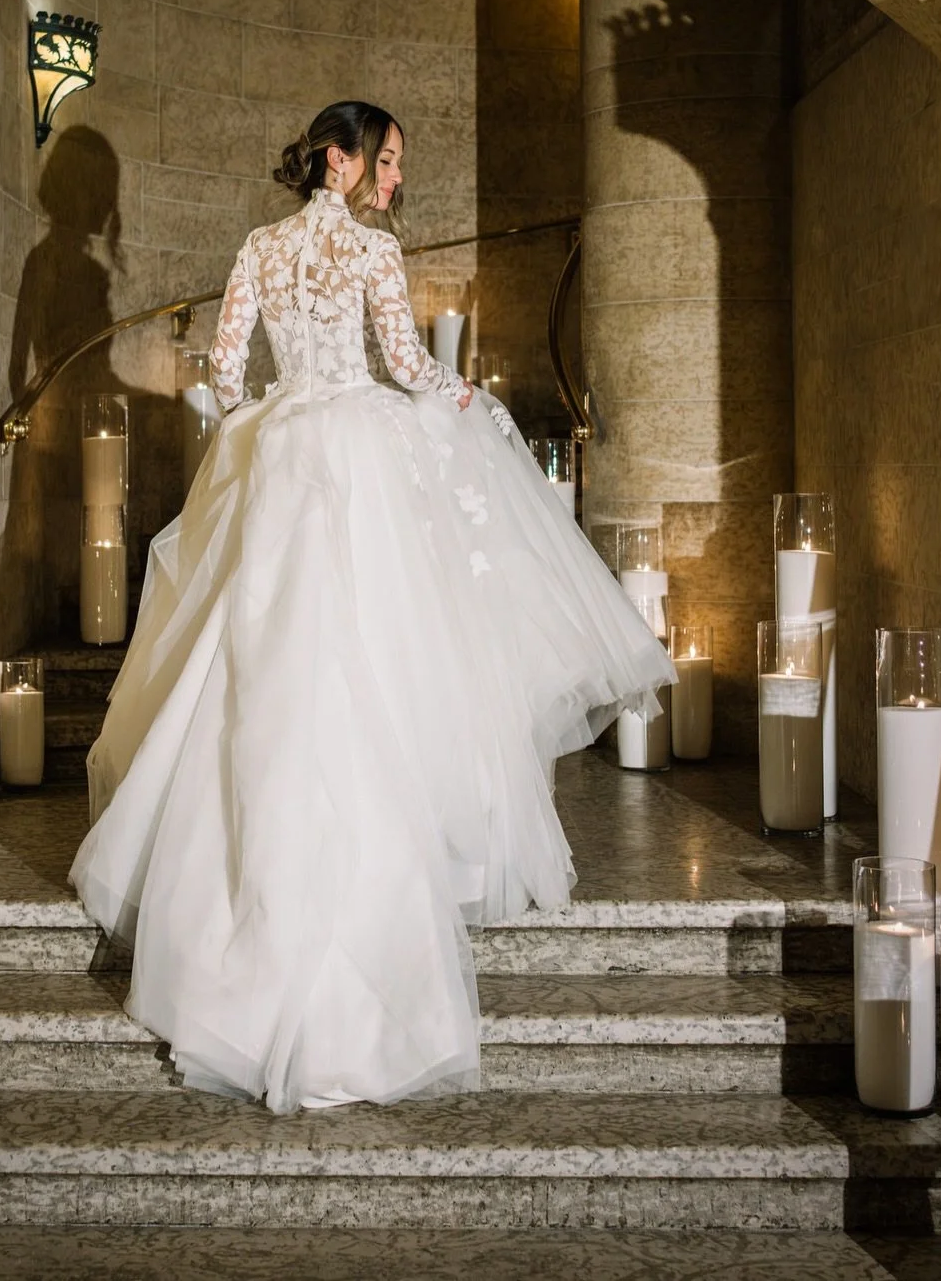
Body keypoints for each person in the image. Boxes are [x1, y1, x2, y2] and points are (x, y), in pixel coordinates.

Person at [70, 99, 676, 1113]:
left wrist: (268, 414)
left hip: (281, 460)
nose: (395, 181)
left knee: (260, 683)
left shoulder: (260, 247)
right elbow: (406, 364)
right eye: (387, 161)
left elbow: (222, 375)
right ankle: (372, 923)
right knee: (378, 668)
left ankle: (247, 922)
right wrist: (462, 398)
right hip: (355, 458)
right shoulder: (374, 255)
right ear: (344, 160)